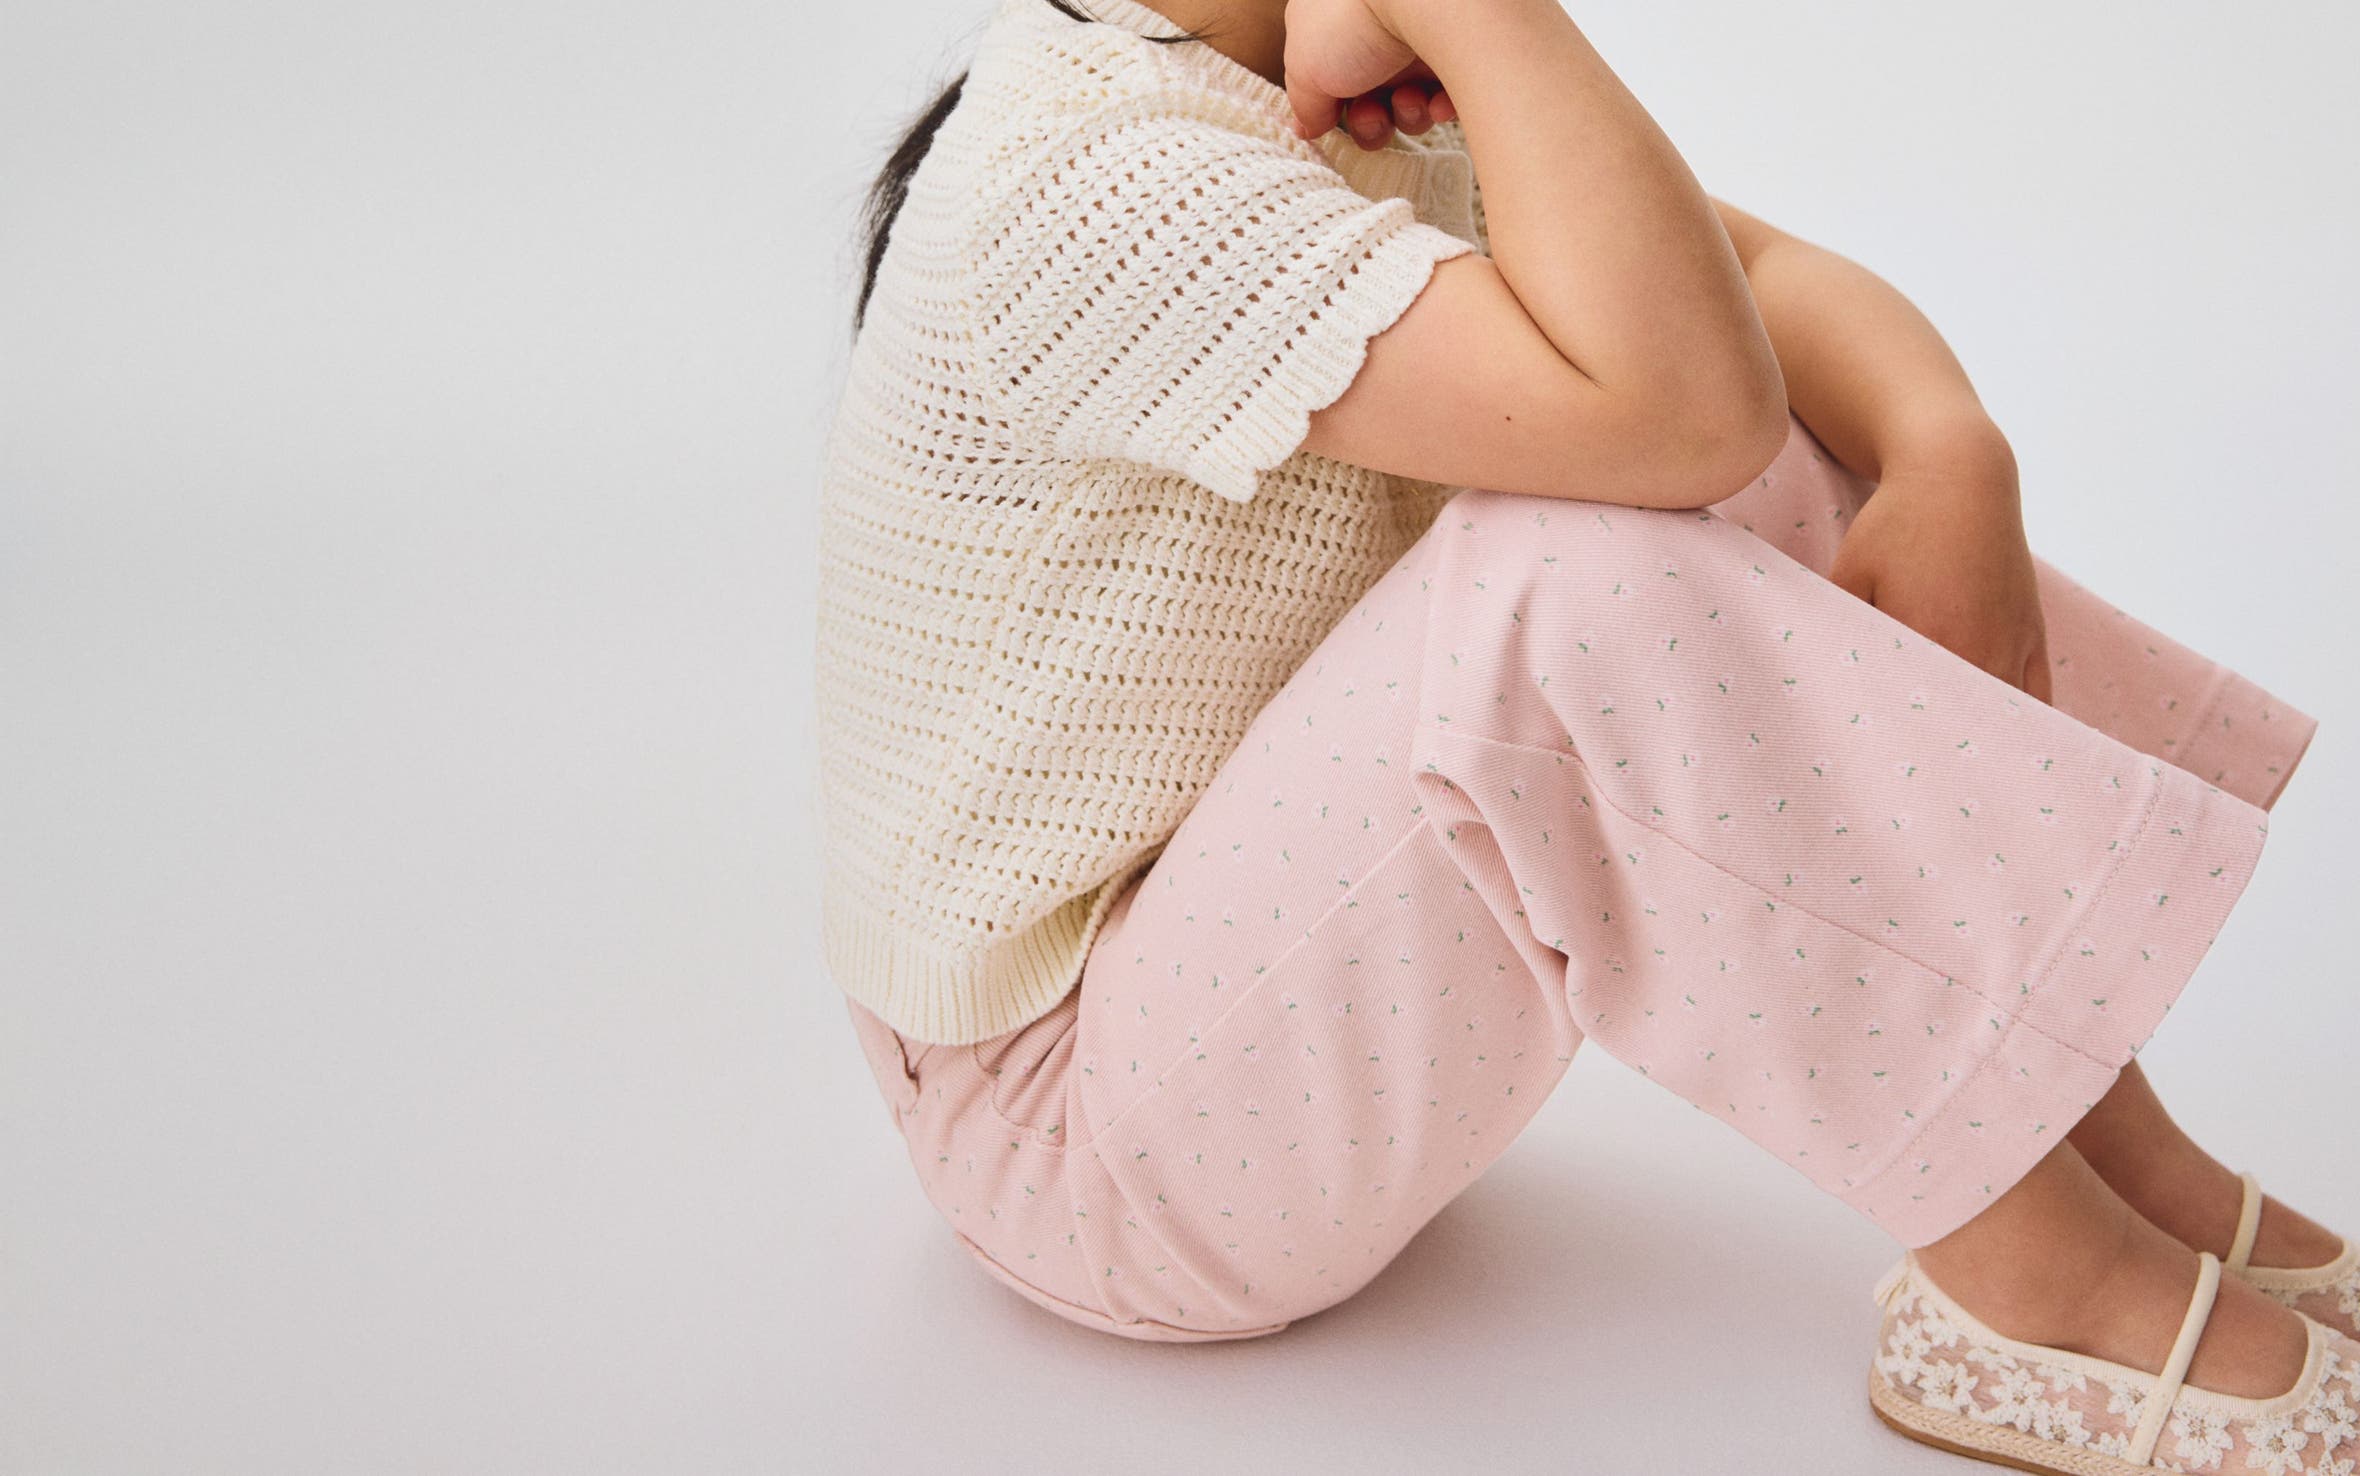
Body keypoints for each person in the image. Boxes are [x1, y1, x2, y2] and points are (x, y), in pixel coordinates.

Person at [813, 0, 2350, 1467]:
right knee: (1584, 567)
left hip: (1238, 993)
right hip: (1083, 1143)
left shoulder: (1318, 93)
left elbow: (1755, 297)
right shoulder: (1093, 177)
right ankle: (2034, 1272)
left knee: (1696, 411)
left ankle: (2101, 1137)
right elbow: (1684, 410)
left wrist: (1948, 454)